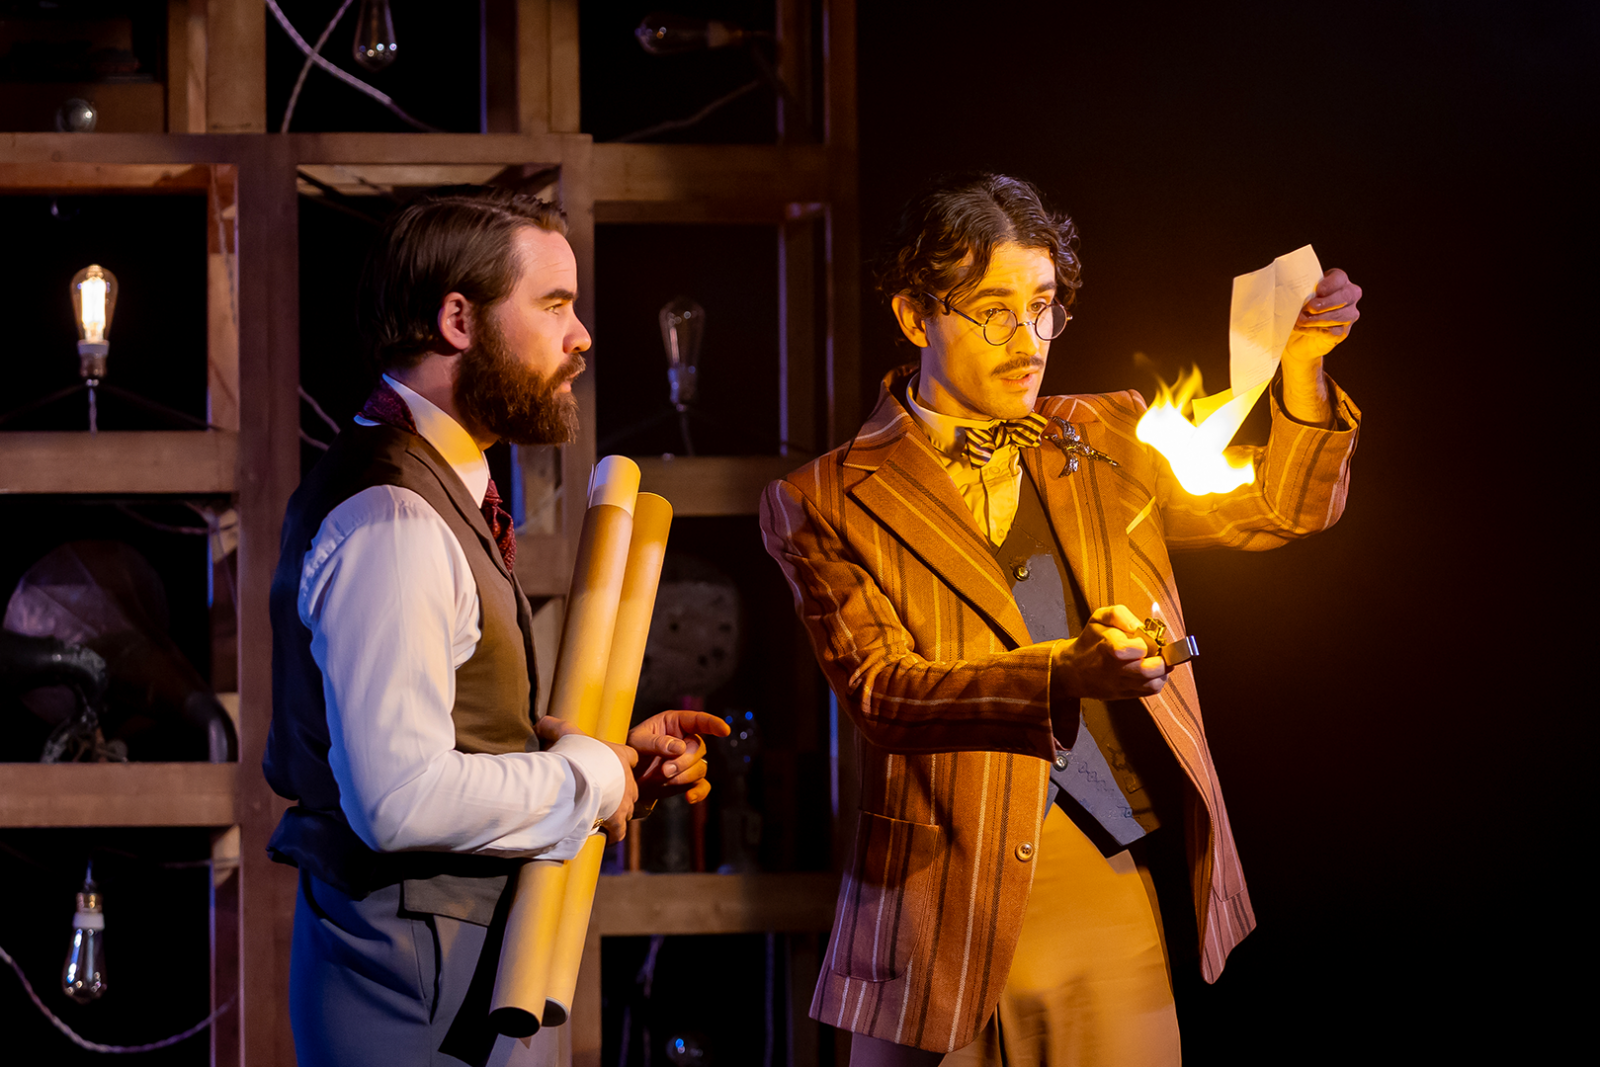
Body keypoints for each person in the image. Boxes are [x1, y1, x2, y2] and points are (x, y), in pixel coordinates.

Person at [759, 173, 1362, 1066]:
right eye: (994, 311)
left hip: (1102, 882)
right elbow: (882, 694)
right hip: (930, 905)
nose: (1027, 340)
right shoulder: (824, 497)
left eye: (1043, 307)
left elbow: (1280, 507)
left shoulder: (1108, 437)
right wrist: (1062, 673)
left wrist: (1302, 368)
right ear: (915, 316)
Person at [264, 186, 728, 1067]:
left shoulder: (433, 490)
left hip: (453, 965)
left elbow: (452, 743)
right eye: (553, 305)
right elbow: (399, 798)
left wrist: (607, 763)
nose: (581, 335)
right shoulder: (393, 518)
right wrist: (589, 777)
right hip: (416, 978)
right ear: (459, 320)